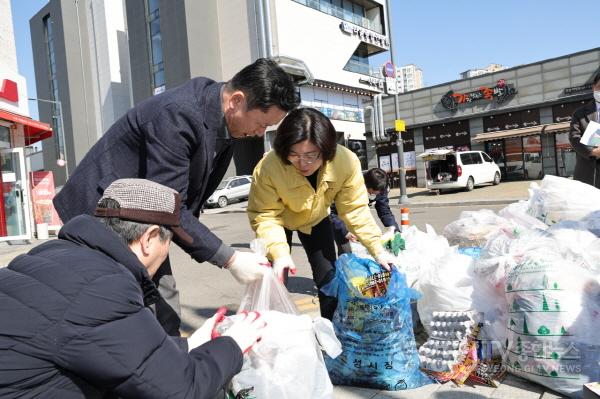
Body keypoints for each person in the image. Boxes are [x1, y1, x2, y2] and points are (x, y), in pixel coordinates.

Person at [53, 58, 298, 335]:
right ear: (237, 100)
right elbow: (170, 206)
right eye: (261, 123)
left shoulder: (224, 122)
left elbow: (178, 204)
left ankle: (166, 365)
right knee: (121, 305)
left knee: (162, 304)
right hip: (101, 211)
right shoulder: (178, 114)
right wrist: (230, 258)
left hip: (143, 213)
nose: (259, 133)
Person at [0, 179, 266, 399]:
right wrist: (234, 344)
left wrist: (188, 346)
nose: (166, 252)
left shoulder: (55, 255)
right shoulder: (104, 285)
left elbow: (109, 347)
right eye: (169, 242)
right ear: (149, 238)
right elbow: (181, 391)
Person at [247, 108, 396, 320]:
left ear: (327, 150)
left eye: (311, 155)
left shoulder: (345, 162)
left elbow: (354, 208)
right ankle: (274, 334)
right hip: (279, 223)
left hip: (316, 219)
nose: (302, 163)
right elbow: (265, 214)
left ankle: (333, 334)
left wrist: (377, 249)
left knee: (328, 279)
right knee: (276, 282)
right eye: (294, 154)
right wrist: (279, 255)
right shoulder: (268, 167)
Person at [330, 167, 400, 254]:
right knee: (347, 251)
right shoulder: (348, 187)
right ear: (365, 185)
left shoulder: (382, 188)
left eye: (376, 194)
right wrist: (344, 231)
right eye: (371, 193)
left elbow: (384, 210)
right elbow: (330, 212)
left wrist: (393, 228)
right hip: (340, 219)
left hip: (360, 218)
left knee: (370, 249)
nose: (373, 195)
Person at [569, 72, 600, 188]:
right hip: (586, 173)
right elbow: (574, 138)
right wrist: (592, 152)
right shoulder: (579, 113)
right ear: (593, 88)